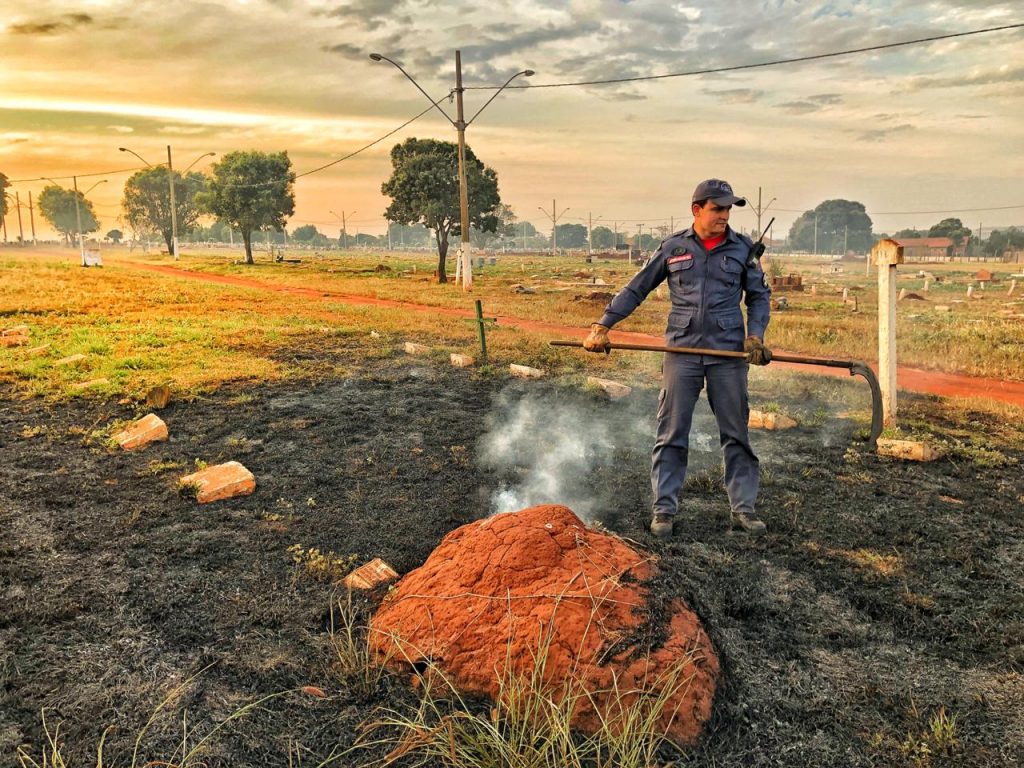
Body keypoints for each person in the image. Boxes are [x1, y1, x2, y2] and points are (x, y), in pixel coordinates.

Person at [583, 179, 772, 539]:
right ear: (697, 210)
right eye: (717, 208)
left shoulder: (743, 250)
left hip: (727, 354)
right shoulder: (673, 248)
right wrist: (603, 325)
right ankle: (664, 511)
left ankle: (743, 510)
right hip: (681, 353)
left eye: (728, 209)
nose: (724, 215)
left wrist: (756, 335)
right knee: (671, 434)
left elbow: (759, 297)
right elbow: (638, 287)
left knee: (736, 434)